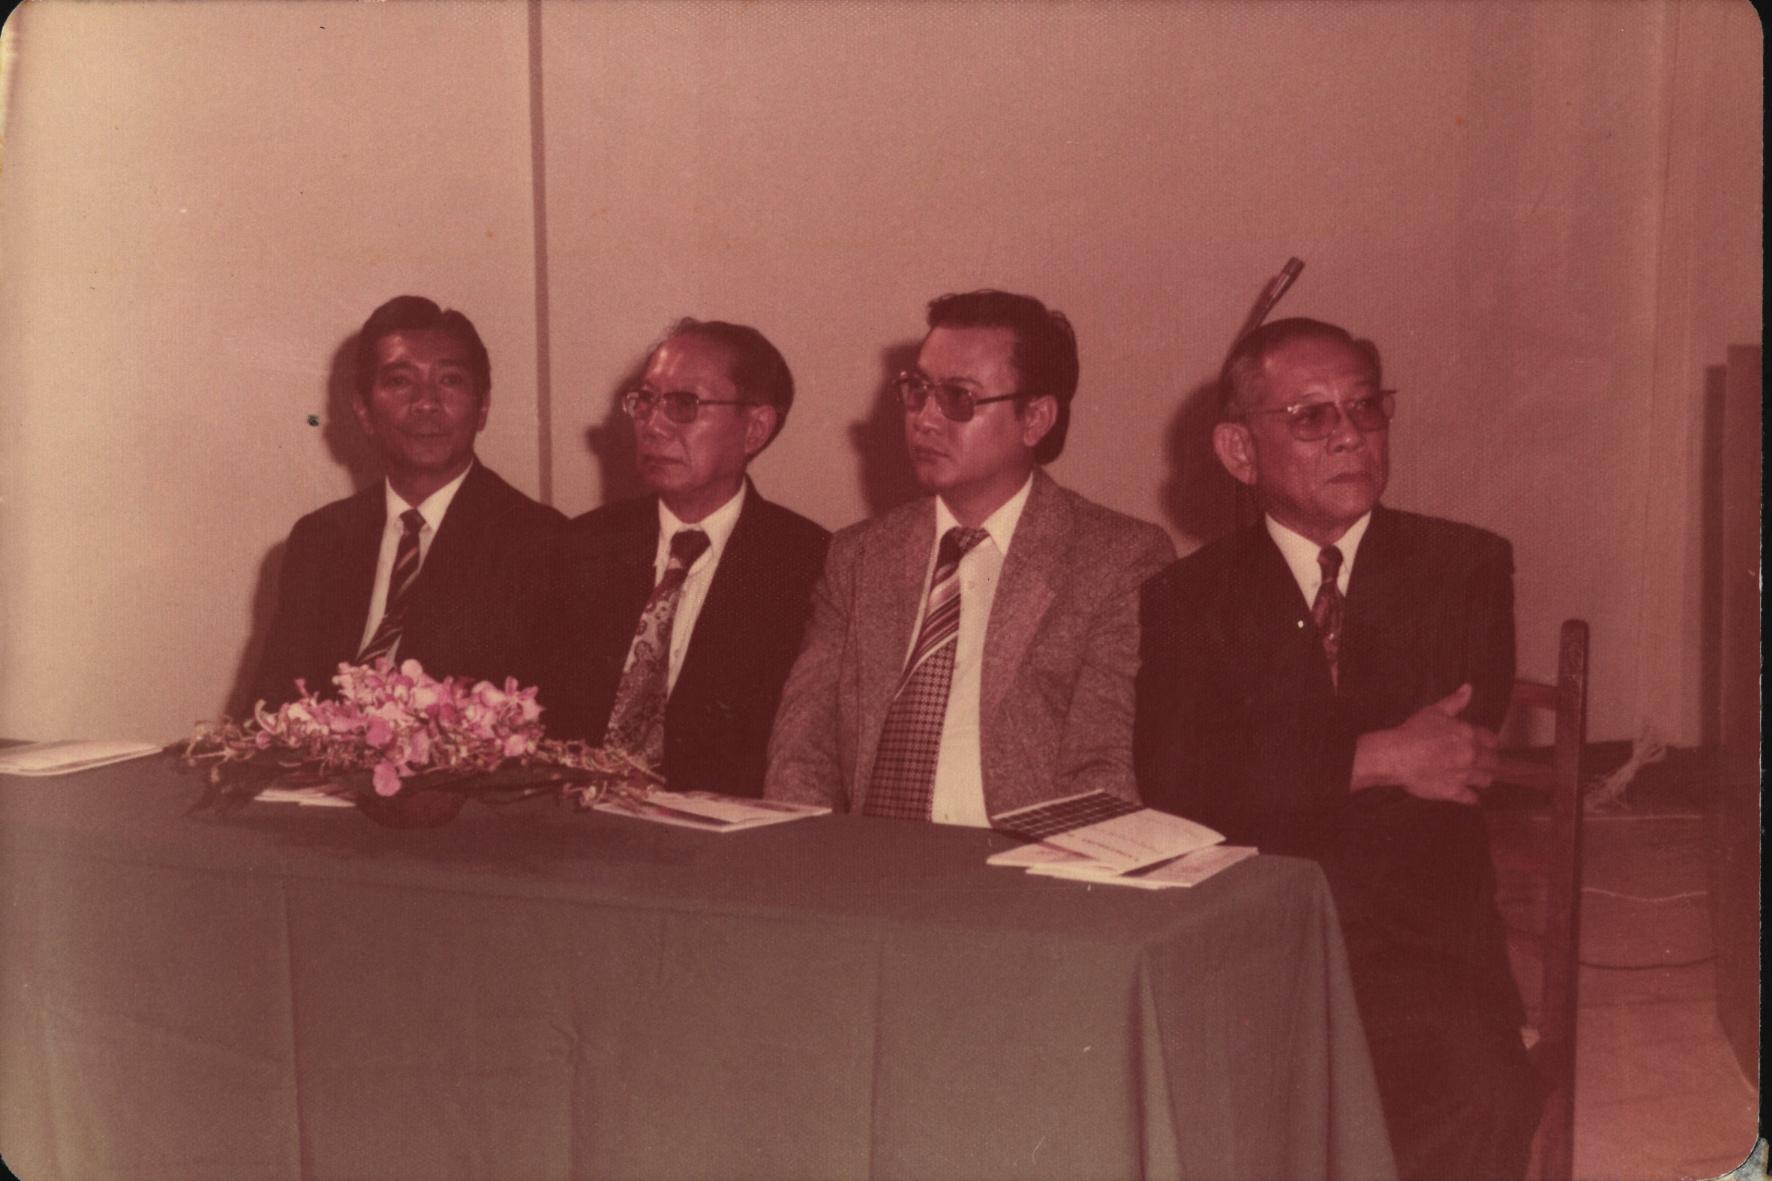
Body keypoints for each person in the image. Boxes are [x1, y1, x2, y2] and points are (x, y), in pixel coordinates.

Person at [1135, 317, 1541, 1180]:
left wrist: (1274, 773)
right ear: (1239, 450)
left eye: (1365, 408)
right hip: (1250, 944)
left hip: (1416, 945)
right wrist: (1379, 756)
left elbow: (1452, 754)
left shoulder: (1463, 565)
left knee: (1484, 1097)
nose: (1351, 434)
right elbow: (1178, 782)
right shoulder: (1187, 596)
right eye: (1312, 416)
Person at [766, 290, 1174, 822]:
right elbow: (802, 752)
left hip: (1024, 863)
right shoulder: (858, 556)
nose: (925, 419)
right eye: (917, 391)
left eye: (959, 398)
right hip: (866, 860)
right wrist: (809, 860)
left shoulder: (1115, 560)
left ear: (1035, 418)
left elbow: (1103, 766)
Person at [544, 319, 828, 797]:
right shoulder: (580, 546)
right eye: (645, 400)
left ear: (756, 428)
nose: (653, 425)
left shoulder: (809, 566)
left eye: (683, 405)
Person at [251, 295, 564, 708]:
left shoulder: (543, 543)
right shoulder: (320, 539)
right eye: (400, 381)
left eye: (450, 380)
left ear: (483, 407)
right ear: (363, 411)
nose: (426, 403)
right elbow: (270, 709)